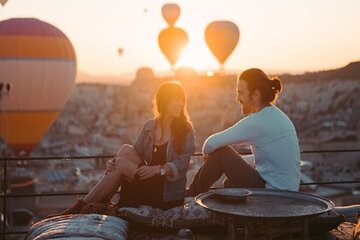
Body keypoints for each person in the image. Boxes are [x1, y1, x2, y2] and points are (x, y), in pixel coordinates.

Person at [49, 81, 195, 217]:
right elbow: (134, 154)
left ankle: (79, 208)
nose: (180, 104)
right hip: (148, 181)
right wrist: (115, 163)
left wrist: (159, 169)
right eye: (176, 99)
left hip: (166, 193)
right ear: (164, 101)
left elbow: (183, 165)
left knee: (122, 164)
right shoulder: (150, 127)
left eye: (182, 100)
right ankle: (99, 202)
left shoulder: (185, 129)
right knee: (124, 150)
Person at [187, 68, 300, 197]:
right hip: (289, 195)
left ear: (256, 95)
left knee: (221, 153)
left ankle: (191, 194)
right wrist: (234, 162)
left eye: (241, 93)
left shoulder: (257, 121)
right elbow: (270, 159)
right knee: (229, 184)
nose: (237, 98)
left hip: (272, 195)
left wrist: (211, 156)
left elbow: (209, 144)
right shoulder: (277, 116)